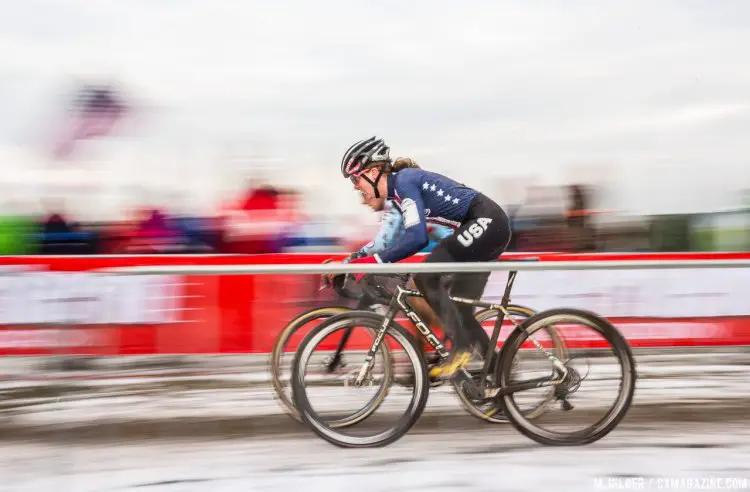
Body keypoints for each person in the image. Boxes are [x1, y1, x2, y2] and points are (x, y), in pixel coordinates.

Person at [340, 136, 512, 379]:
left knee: (425, 276)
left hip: (486, 221)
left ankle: (461, 349)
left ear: (376, 171)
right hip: (487, 227)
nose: (356, 186)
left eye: (356, 179)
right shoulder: (399, 197)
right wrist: (361, 261)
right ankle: (498, 376)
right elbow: (397, 241)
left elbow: (416, 238)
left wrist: (371, 262)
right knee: (461, 311)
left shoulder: (404, 182)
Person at [326, 158, 454, 361]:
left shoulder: (397, 201)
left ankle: (461, 340)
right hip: (443, 255)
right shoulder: (401, 200)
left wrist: (347, 263)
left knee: (414, 299)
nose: (363, 199)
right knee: (412, 301)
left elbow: (381, 243)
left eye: (361, 192)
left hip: (455, 254)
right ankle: (424, 362)